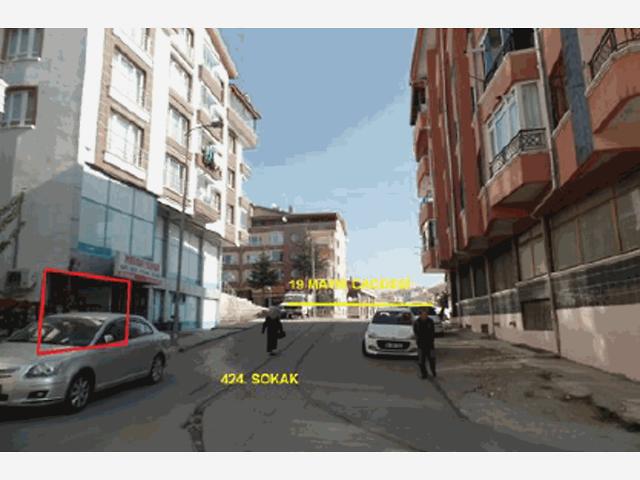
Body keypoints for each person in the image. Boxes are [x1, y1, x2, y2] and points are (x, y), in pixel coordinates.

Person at [413, 309, 436, 379]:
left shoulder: (430, 321)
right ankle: (424, 374)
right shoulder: (417, 322)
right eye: (423, 315)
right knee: (421, 361)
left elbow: (433, 331)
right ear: (420, 315)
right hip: (420, 344)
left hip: (430, 344)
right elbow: (415, 332)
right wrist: (417, 340)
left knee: (432, 359)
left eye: (425, 314)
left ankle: (433, 371)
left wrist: (432, 340)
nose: (424, 316)